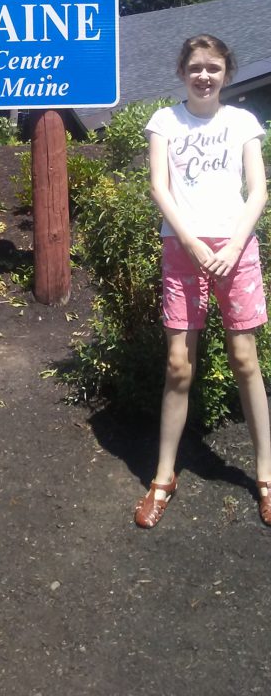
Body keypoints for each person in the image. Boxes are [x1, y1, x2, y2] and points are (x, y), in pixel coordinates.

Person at [134, 34, 271, 529]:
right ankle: (164, 477)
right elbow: (158, 185)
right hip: (183, 247)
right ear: (183, 72)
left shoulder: (242, 122)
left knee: (244, 358)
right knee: (178, 365)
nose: (204, 75)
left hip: (237, 247)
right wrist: (191, 242)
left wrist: (233, 245)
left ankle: (265, 477)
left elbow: (257, 189)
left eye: (213, 67)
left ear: (227, 73)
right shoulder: (165, 121)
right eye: (195, 67)